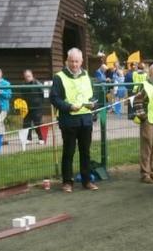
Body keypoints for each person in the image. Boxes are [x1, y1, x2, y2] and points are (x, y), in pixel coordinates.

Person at [50, 48, 99, 193]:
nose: (74, 64)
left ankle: (87, 181)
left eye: (77, 61)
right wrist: (69, 107)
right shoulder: (59, 77)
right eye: (71, 61)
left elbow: (93, 96)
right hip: (69, 120)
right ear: (67, 61)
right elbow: (54, 98)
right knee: (68, 152)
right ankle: (67, 182)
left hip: (86, 120)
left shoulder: (87, 77)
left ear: (81, 61)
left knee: (86, 152)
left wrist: (93, 104)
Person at [20, 69, 48, 144]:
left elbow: (44, 94)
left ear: (32, 75)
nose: (27, 78)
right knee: (26, 124)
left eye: (29, 76)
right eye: (26, 77)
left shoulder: (38, 83)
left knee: (37, 123)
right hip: (26, 108)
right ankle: (28, 139)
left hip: (37, 108)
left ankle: (41, 138)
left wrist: (41, 104)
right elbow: (22, 96)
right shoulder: (22, 85)